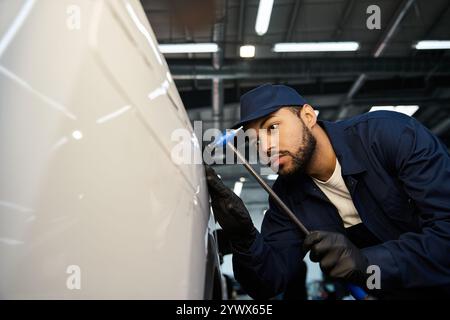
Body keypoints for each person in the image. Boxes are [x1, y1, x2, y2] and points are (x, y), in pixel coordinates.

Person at [205, 84, 450, 299]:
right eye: (255, 140)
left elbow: (445, 232)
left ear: (308, 116)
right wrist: (244, 237)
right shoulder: (286, 198)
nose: (266, 147)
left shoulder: (389, 135)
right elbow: (267, 283)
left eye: (273, 127)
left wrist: (367, 263)